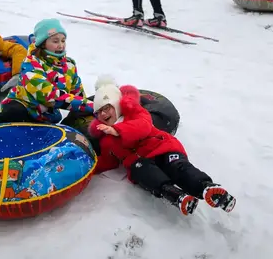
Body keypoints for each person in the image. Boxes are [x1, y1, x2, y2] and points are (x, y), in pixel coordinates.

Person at [89, 75, 236, 216]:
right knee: (141, 170)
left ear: (116, 103)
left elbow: (142, 127)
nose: (103, 114)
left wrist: (117, 130)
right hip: (142, 161)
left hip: (163, 147)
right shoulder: (106, 139)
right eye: (98, 112)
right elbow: (107, 161)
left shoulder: (136, 113)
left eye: (106, 108)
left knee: (178, 167)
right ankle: (172, 193)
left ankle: (206, 188)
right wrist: (87, 168)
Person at [0, 18, 95, 124]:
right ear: (43, 43)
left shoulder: (69, 66)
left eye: (63, 40)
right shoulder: (31, 64)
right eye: (55, 41)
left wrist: (96, 106)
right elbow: (51, 96)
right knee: (16, 112)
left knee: (92, 103)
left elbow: (79, 96)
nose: (61, 45)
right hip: (24, 108)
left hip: (47, 115)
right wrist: (91, 106)